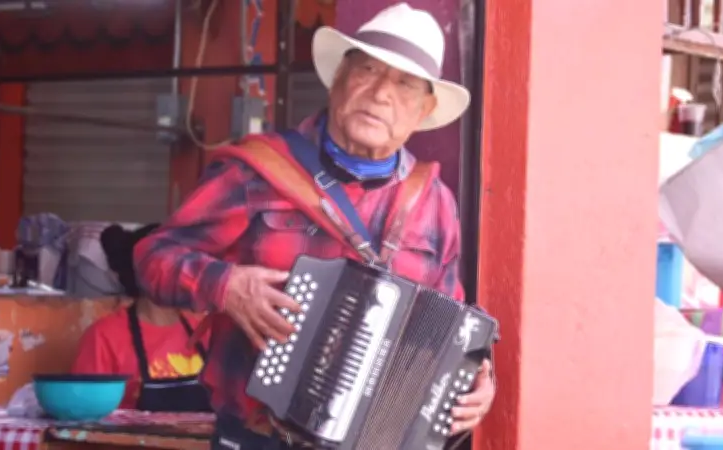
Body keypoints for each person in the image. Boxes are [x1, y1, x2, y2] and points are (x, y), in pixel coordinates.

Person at [134, 3, 495, 448]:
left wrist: (476, 378)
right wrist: (225, 286)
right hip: (257, 437)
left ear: (424, 110)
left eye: (405, 85)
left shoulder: (435, 203)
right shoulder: (258, 171)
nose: (382, 93)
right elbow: (153, 258)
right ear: (338, 79)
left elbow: (449, 329)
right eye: (368, 69)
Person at [72, 224, 212, 412]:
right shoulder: (104, 337)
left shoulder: (204, 331)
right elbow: (85, 414)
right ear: (144, 272)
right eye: (177, 266)